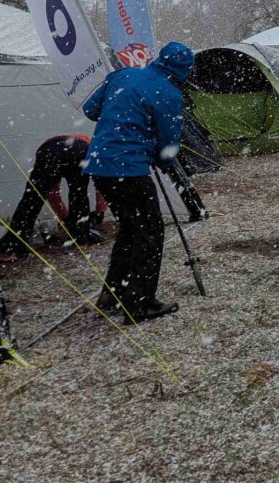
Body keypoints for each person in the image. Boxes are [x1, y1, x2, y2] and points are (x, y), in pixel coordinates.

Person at [83, 42, 195, 323]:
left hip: (99, 165)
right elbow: (168, 145)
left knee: (130, 229)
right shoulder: (168, 93)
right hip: (129, 168)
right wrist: (159, 158)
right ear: (184, 71)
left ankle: (112, 294)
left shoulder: (122, 75)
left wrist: (121, 114)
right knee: (149, 233)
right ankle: (139, 304)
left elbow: (91, 110)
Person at [0, 135, 108, 262]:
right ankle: (81, 241)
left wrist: (65, 218)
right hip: (80, 151)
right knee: (79, 194)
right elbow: (101, 187)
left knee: (32, 200)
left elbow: (53, 196)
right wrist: (100, 211)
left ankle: (15, 249)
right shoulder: (92, 150)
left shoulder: (56, 150)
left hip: (48, 152)